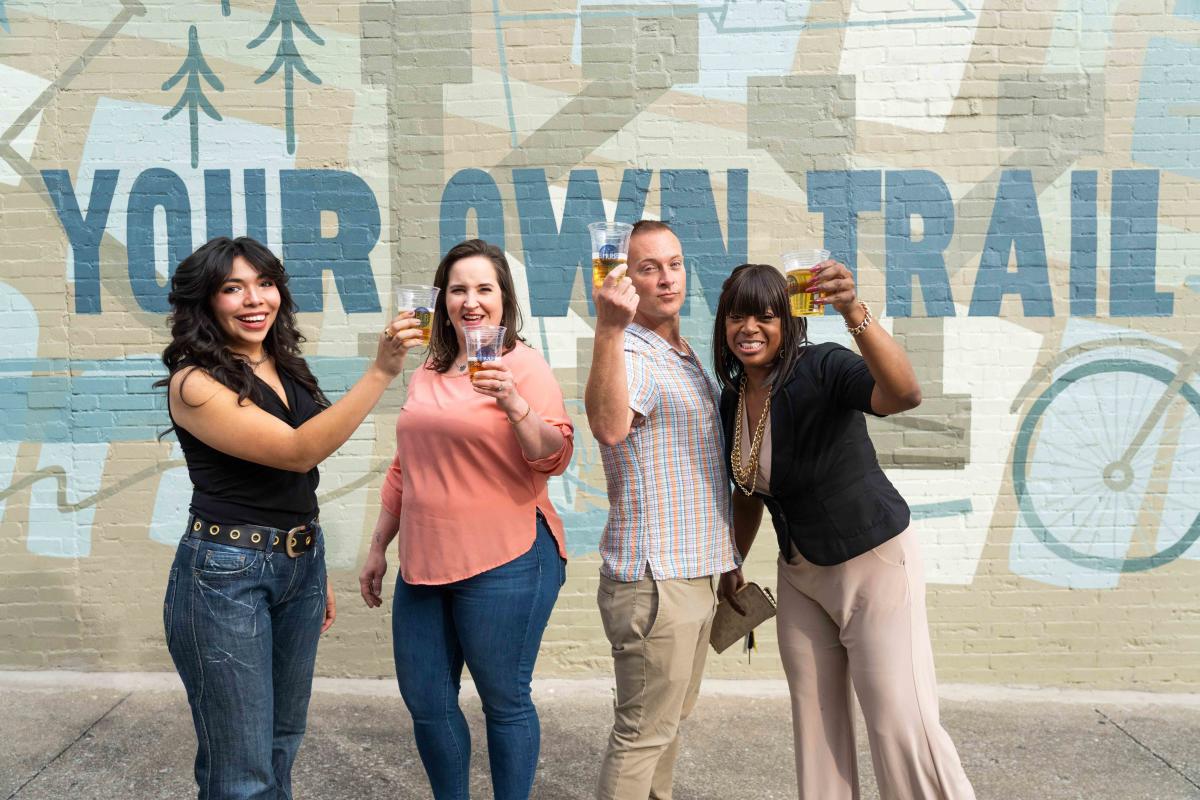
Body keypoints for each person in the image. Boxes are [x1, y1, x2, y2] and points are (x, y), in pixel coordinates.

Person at [160, 236, 417, 800]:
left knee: (281, 742)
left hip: (295, 563)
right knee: (241, 766)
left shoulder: (283, 364)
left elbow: (296, 484)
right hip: (226, 574)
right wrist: (381, 372)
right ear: (205, 302)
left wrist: (307, 564)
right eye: (233, 288)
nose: (254, 300)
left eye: (265, 283)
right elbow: (298, 452)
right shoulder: (194, 384)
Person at [713, 262, 976, 800]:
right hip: (800, 574)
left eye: (765, 315)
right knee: (815, 723)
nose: (750, 328)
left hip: (872, 562)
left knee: (901, 721)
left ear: (788, 322)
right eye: (738, 315)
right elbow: (747, 493)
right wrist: (731, 562)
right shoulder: (732, 398)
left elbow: (903, 394)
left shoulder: (823, 367)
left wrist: (854, 313)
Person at [357, 239, 573, 800]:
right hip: (424, 561)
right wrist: (380, 544)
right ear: (442, 301)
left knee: (504, 698)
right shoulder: (426, 370)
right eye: (458, 289)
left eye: (484, 289)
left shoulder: (523, 364)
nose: (471, 301)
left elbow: (553, 456)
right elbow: (407, 467)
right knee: (427, 703)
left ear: (504, 300)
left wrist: (515, 405)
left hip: (508, 557)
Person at [585, 220, 739, 800]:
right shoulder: (629, 349)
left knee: (665, 726)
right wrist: (606, 330)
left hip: (693, 571)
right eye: (648, 267)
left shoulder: (677, 350)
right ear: (625, 278)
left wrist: (725, 560)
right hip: (656, 581)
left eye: (673, 263)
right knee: (642, 733)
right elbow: (606, 426)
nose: (666, 277)